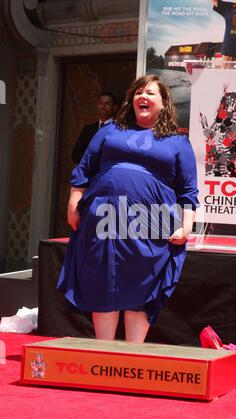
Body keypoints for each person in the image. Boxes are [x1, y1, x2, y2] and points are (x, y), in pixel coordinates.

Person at [57, 74, 199, 344]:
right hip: (103, 216)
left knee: (141, 284)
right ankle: (104, 353)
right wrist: (74, 201)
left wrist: (186, 225)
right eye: (138, 93)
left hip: (152, 221)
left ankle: (133, 356)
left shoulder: (178, 142)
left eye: (150, 93)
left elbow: (188, 190)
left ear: (164, 102)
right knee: (104, 280)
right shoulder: (109, 131)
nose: (142, 97)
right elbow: (84, 170)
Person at [71, 92, 117, 164]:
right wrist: (91, 160)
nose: (103, 106)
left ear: (114, 107)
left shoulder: (119, 129)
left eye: (107, 104)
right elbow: (75, 155)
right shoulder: (88, 129)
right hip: (89, 173)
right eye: (100, 103)